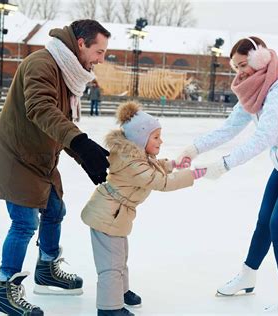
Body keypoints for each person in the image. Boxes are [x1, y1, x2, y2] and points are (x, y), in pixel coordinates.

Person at [177, 36, 278, 315]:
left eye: (244, 64)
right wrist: (193, 148)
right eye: (236, 67)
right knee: (264, 222)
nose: (240, 72)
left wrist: (224, 165)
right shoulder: (254, 89)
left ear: (261, 59)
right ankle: (248, 275)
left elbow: (263, 137)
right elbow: (229, 128)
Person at [0, 20, 111, 316]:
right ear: (80, 44)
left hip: (41, 159)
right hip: (17, 159)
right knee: (24, 224)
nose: (101, 59)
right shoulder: (42, 64)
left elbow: (58, 125)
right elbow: (41, 109)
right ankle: (5, 288)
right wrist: (81, 143)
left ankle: (46, 268)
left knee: (55, 211)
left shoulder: (67, 71)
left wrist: (85, 157)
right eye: (99, 51)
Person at [81, 101, 207, 316]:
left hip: (115, 215)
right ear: (140, 138)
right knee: (111, 264)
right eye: (156, 137)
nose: (161, 141)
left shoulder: (136, 156)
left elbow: (153, 166)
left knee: (120, 257)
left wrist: (174, 164)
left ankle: (121, 292)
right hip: (107, 215)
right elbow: (160, 181)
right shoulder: (132, 162)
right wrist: (191, 175)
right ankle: (109, 309)